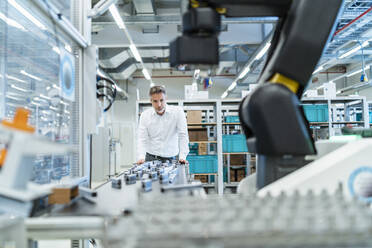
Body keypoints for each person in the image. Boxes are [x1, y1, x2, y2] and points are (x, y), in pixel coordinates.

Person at [136, 85, 189, 164]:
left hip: (172, 158)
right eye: (155, 101)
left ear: (166, 98)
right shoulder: (145, 115)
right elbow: (142, 139)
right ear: (150, 100)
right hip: (151, 157)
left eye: (161, 100)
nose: (159, 104)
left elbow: (183, 135)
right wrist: (141, 156)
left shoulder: (178, 112)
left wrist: (182, 156)